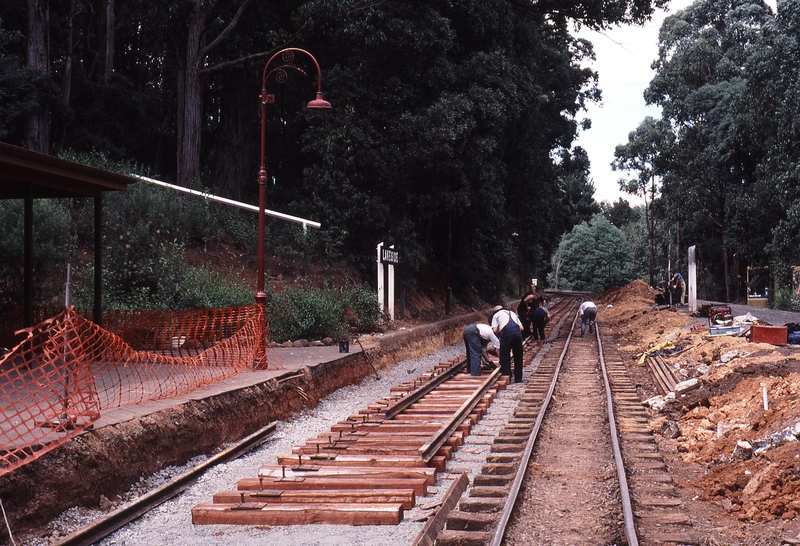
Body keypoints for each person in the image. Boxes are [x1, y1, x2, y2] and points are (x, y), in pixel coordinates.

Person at [491, 304, 524, 383]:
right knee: (518, 356)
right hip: (517, 335)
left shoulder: (496, 315)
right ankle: (518, 378)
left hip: (506, 335)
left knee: (505, 356)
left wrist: (500, 335)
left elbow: (495, 330)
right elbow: (522, 328)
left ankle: (507, 376)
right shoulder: (512, 313)